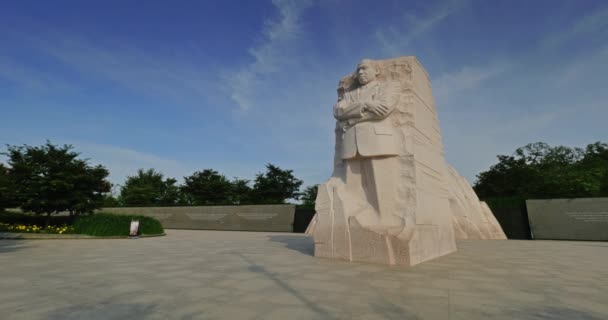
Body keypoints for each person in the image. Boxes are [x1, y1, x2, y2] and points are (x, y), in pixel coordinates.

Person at [333, 59, 403, 229]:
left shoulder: (388, 86)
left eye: (365, 68)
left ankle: (387, 220)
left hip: (377, 141)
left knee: (382, 183)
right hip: (351, 144)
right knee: (352, 187)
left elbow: (383, 110)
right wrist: (366, 104)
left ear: (376, 71)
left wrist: (350, 119)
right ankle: (355, 221)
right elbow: (338, 111)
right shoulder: (349, 94)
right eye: (358, 70)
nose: (361, 73)